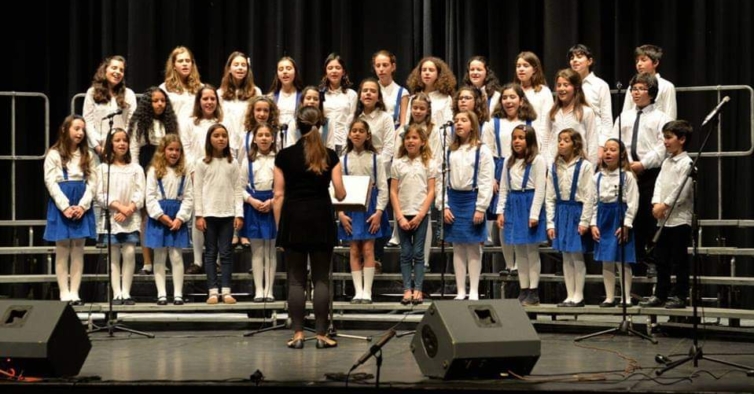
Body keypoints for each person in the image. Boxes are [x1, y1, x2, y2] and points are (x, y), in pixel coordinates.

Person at [274, 106, 346, 350]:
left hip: (293, 218)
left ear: (297, 125)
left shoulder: (283, 156)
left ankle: (297, 334)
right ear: (321, 125)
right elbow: (340, 192)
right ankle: (321, 335)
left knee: (295, 281)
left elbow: (278, 195)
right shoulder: (329, 155)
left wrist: (279, 227)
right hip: (320, 218)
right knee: (321, 279)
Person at [611, 73, 672, 278]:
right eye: (634, 89)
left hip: (650, 173)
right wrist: (625, 164)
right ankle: (633, 262)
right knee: (631, 216)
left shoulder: (661, 117)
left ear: (651, 92)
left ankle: (652, 259)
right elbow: (616, 141)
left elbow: (661, 147)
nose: (636, 93)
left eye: (641, 89)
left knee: (648, 216)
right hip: (628, 173)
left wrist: (643, 164)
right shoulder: (624, 116)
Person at [43, 115, 97, 305]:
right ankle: (63, 292)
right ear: (65, 130)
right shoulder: (54, 154)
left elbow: (93, 182)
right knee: (63, 248)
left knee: (78, 248)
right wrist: (65, 206)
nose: (80, 133)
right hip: (62, 202)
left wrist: (83, 205)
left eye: (83, 129)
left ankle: (75, 291)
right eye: (76, 128)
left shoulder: (87, 155)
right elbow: (50, 182)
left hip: (81, 200)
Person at [441, 111, 494, 301]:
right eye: (456, 121)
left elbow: (486, 179)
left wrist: (481, 207)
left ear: (473, 125)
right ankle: (461, 289)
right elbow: (443, 179)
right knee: (457, 246)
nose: (458, 124)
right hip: (454, 200)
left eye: (463, 120)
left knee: (472, 246)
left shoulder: (482, 150)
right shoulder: (449, 150)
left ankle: (474, 289)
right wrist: (444, 206)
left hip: (472, 199)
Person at [485, 83, 537, 275]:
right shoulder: (494, 123)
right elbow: (487, 151)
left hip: (525, 167)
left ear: (521, 100)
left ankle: (522, 261)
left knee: (520, 215)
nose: (508, 101)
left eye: (512, 97)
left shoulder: (530, 123)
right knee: (503, 216)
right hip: (501, 167)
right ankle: (510, 263)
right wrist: (492, 177)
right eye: (505, 97)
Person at [640, 120, 693, 309]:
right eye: (664, 137)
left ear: (682, 139)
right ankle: (660, 293)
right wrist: (656, 203)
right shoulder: (666, 162)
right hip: (663, 219)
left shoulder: (687, 163)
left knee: (679, 260)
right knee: (661, 259)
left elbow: (682, 190)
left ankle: (679, 294)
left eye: (669, 137)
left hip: (679, 219)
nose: (665, 141)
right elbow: (659, 184)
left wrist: (665, 204)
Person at [129, 86, 179, 275]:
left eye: (162, 101)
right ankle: (148, 261)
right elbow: (134, 149)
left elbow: (175, 147)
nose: (159, 104)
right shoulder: (140, 122)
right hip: (144, 165)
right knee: (146, 216)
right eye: (155, 100)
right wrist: (137, 174)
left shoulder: (170, 123)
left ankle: (162, 260)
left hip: (165, 167)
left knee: (163, 213)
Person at [338, 119, 389, 304]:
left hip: (370, 206)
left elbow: (383, 187)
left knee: (368, 248)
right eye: (354, 130)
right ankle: (357, 291)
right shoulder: (343, 159)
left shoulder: (376, 158)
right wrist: (341, 213)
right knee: (353, 248)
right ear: (349, 134)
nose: (357, 134)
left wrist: (379, 212)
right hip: (350, 205)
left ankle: (367, 291)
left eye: (361, 131)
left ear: (368, 135)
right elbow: (337, 188)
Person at [496, 125, 547, 306]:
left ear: (530, 141)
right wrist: (500, 211)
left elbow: (541, 188)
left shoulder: (538, 161)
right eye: (514, 138)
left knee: (531, 250)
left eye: (521, 138)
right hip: (513, 204)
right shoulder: (508, 161)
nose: (516, 141)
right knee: (519, 250)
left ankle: (534, 290)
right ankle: (523, 288)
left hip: (529, 202)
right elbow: (503, 188)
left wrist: (534, 214)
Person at [193, 123, 244, 305]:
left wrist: (239, 214)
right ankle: (212, 291)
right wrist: (199, 215)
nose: (221, 138)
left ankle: (226, 290)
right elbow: (197, 190)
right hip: (208, 214)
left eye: (224, 135)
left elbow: (238, 190)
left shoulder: (233, 162)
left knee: (226, 253)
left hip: (228, 214)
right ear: (209, 139)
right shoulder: (202, 163)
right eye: (216, 135)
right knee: (210, 253)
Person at [545, 129, 595, 307]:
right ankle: (569, 294)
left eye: (566, 140)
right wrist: (550, 222)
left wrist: (584, 221)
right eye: (559, 140)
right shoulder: (554, 166)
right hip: (561, 211)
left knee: (576, 254)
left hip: (576, 211)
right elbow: (550, 196)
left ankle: (578, 295)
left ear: (575, 144)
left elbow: (590, 196)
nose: (561, 143)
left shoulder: (585, 166)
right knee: (566, 255)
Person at [96, 128, 145, 305]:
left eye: (124, 140)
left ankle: (126, 291)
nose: (122, 143)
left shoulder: (136, 169)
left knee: (130, 252)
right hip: (112, 217)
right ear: (111, 144)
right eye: (117, 140)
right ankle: (117, 292)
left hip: (130, 217)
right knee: (114, 254)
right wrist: (119, 207)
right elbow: (100, 194)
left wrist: (129, 209)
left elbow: (141, 193)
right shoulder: (103, 169)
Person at [144, 134, 193, 305]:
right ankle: (162, 293)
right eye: (170, 149)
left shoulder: (184, 171)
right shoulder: (153, 171)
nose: (174, 153)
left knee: (177, 255)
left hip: (177, 213)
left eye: (177, 150)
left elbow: (189, 197)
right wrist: (161, 216)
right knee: (159, 254)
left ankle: (178, 293)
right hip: (160, 216)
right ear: (163, 151)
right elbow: (149, 197)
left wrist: (180, 218)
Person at [181, 84, 225, 274]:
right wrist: (193, 171)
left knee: (217, 216)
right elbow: (186, 148)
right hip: (196, 174)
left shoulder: (223, 120)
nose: (209, 102)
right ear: (199, 101)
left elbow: (230, 146)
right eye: (205, 98)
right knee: (198, 215)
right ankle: (198, 260)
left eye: (212, 98)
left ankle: (214, 260)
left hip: (219, 174)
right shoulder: (191, 123)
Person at [391, 125, 436, 305]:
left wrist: (420, 215)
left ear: (423, 141)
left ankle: (418, 289)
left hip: (421, 214)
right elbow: (393, 191)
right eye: (408, 138)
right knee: (405, 253)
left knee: (418, 253)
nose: (410, 141)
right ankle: (407, 290)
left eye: (415, 138)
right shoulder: (398, 163)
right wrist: (400, 216)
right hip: (403, 213)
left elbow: (431, 191)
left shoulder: (429, 163)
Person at [591, 138, 639, 307]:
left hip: (619, 217)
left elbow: (633, 202)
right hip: (603, 218)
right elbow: (593, 202)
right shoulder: (597, 177)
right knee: (606, 259)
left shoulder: (627, 176)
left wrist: (626, 224)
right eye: (606, 150)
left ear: (622, 154)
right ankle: (609, 297)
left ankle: (626, 297)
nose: (608, 153)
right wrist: (593, 224)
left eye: (613, 150)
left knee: (622, 258)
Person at [240, 123, 278, 302]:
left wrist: (273, 201)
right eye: (260, 135)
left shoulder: (278, 159)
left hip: (272, 203)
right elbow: (240, 186)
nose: (263, 138)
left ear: (272, 138)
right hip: (254, 204)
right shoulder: (248, 160)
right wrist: (251, 201)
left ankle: (269, 289)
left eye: (267, 135)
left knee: (270, 249)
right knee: (257, 250)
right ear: (254, 139)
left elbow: (284, 185)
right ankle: (259, 289)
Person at [83, 55, 137, 162]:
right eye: (114, 68)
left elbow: (131, 123)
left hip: (120, 149)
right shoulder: (92, 92)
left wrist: (119, 144)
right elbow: (88, 121)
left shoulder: (129, 94)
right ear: (105, 69)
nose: (117, 72)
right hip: (97, 149)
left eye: (121, 70)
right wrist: (98, 147)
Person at [567, 44, 613, 162]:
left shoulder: (600, 85)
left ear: (590, 61)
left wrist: (601, 146)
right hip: (570, 142)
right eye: (572, 58)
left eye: (579, 56)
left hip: (593, 143)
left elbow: (607, 120)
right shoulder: (567, 86)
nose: (575, 60)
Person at [546, 69, 598, 166]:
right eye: (559, 85)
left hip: (579, 167)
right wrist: (548, 165)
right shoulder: (552, 112)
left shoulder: (586, 112)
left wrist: (590, 168)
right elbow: (547, 140)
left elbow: (592, 143)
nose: (561, 89)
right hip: (555, 166)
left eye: (566, 85)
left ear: (576, 87)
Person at [218, 51, 262, 157]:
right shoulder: (219, 93)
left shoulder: (255, 92)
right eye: (236, 65)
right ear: (229, 69)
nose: (240, 68)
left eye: (243, 65)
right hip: (227, 142)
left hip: (247, 141)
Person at [622, 44, 677, 120]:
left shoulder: (666, 86)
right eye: (637, 61)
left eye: (643, 60)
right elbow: (626, 113)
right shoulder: (632, 86)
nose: (639, 64)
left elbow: (670, 116)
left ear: (655, 63)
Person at [513, 51, 553, 153]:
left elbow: (546, 122)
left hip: (536, 143)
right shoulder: (513, 91)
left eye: (525, 66)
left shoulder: (543, 91)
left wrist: (543, 149)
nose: (521, 69)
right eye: (518, 66)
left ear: (534, 69)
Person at [319, 53, 358, 152]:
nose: (334, 71)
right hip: (324, 143)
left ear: (343, 72)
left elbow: (353, 120)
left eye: (337, 68)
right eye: (330, 68)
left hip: (345, 143)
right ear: (325, 72)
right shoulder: (320, 94)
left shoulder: (351, 94)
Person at [406, 56, 456, 127]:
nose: (427, 73)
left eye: (431, 70)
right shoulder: (414, 98)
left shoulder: (446, 99)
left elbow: (449, 125)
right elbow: (407, 122)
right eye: (424, 70)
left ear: (438, 74)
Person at [160, 46, 203, 123]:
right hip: (173, 131)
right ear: (174, 66)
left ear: (192, 64)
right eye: (180, 61)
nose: (185, 64)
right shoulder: (164, 88)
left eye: (187, 61)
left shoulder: (201, 88)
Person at [372, 50, 410, 128]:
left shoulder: (402, 92)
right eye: (378, 65)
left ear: (393, 67)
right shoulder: (370, 89)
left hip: (394, 133)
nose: (381, 69)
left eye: (385, 65)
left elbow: (404, 123)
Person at [268, 56, 304, 126]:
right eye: (281, 69)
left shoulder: (303, 97)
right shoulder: (270, 97)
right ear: (277, 75)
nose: (284, 72)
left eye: (288, 68)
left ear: (295, 72)